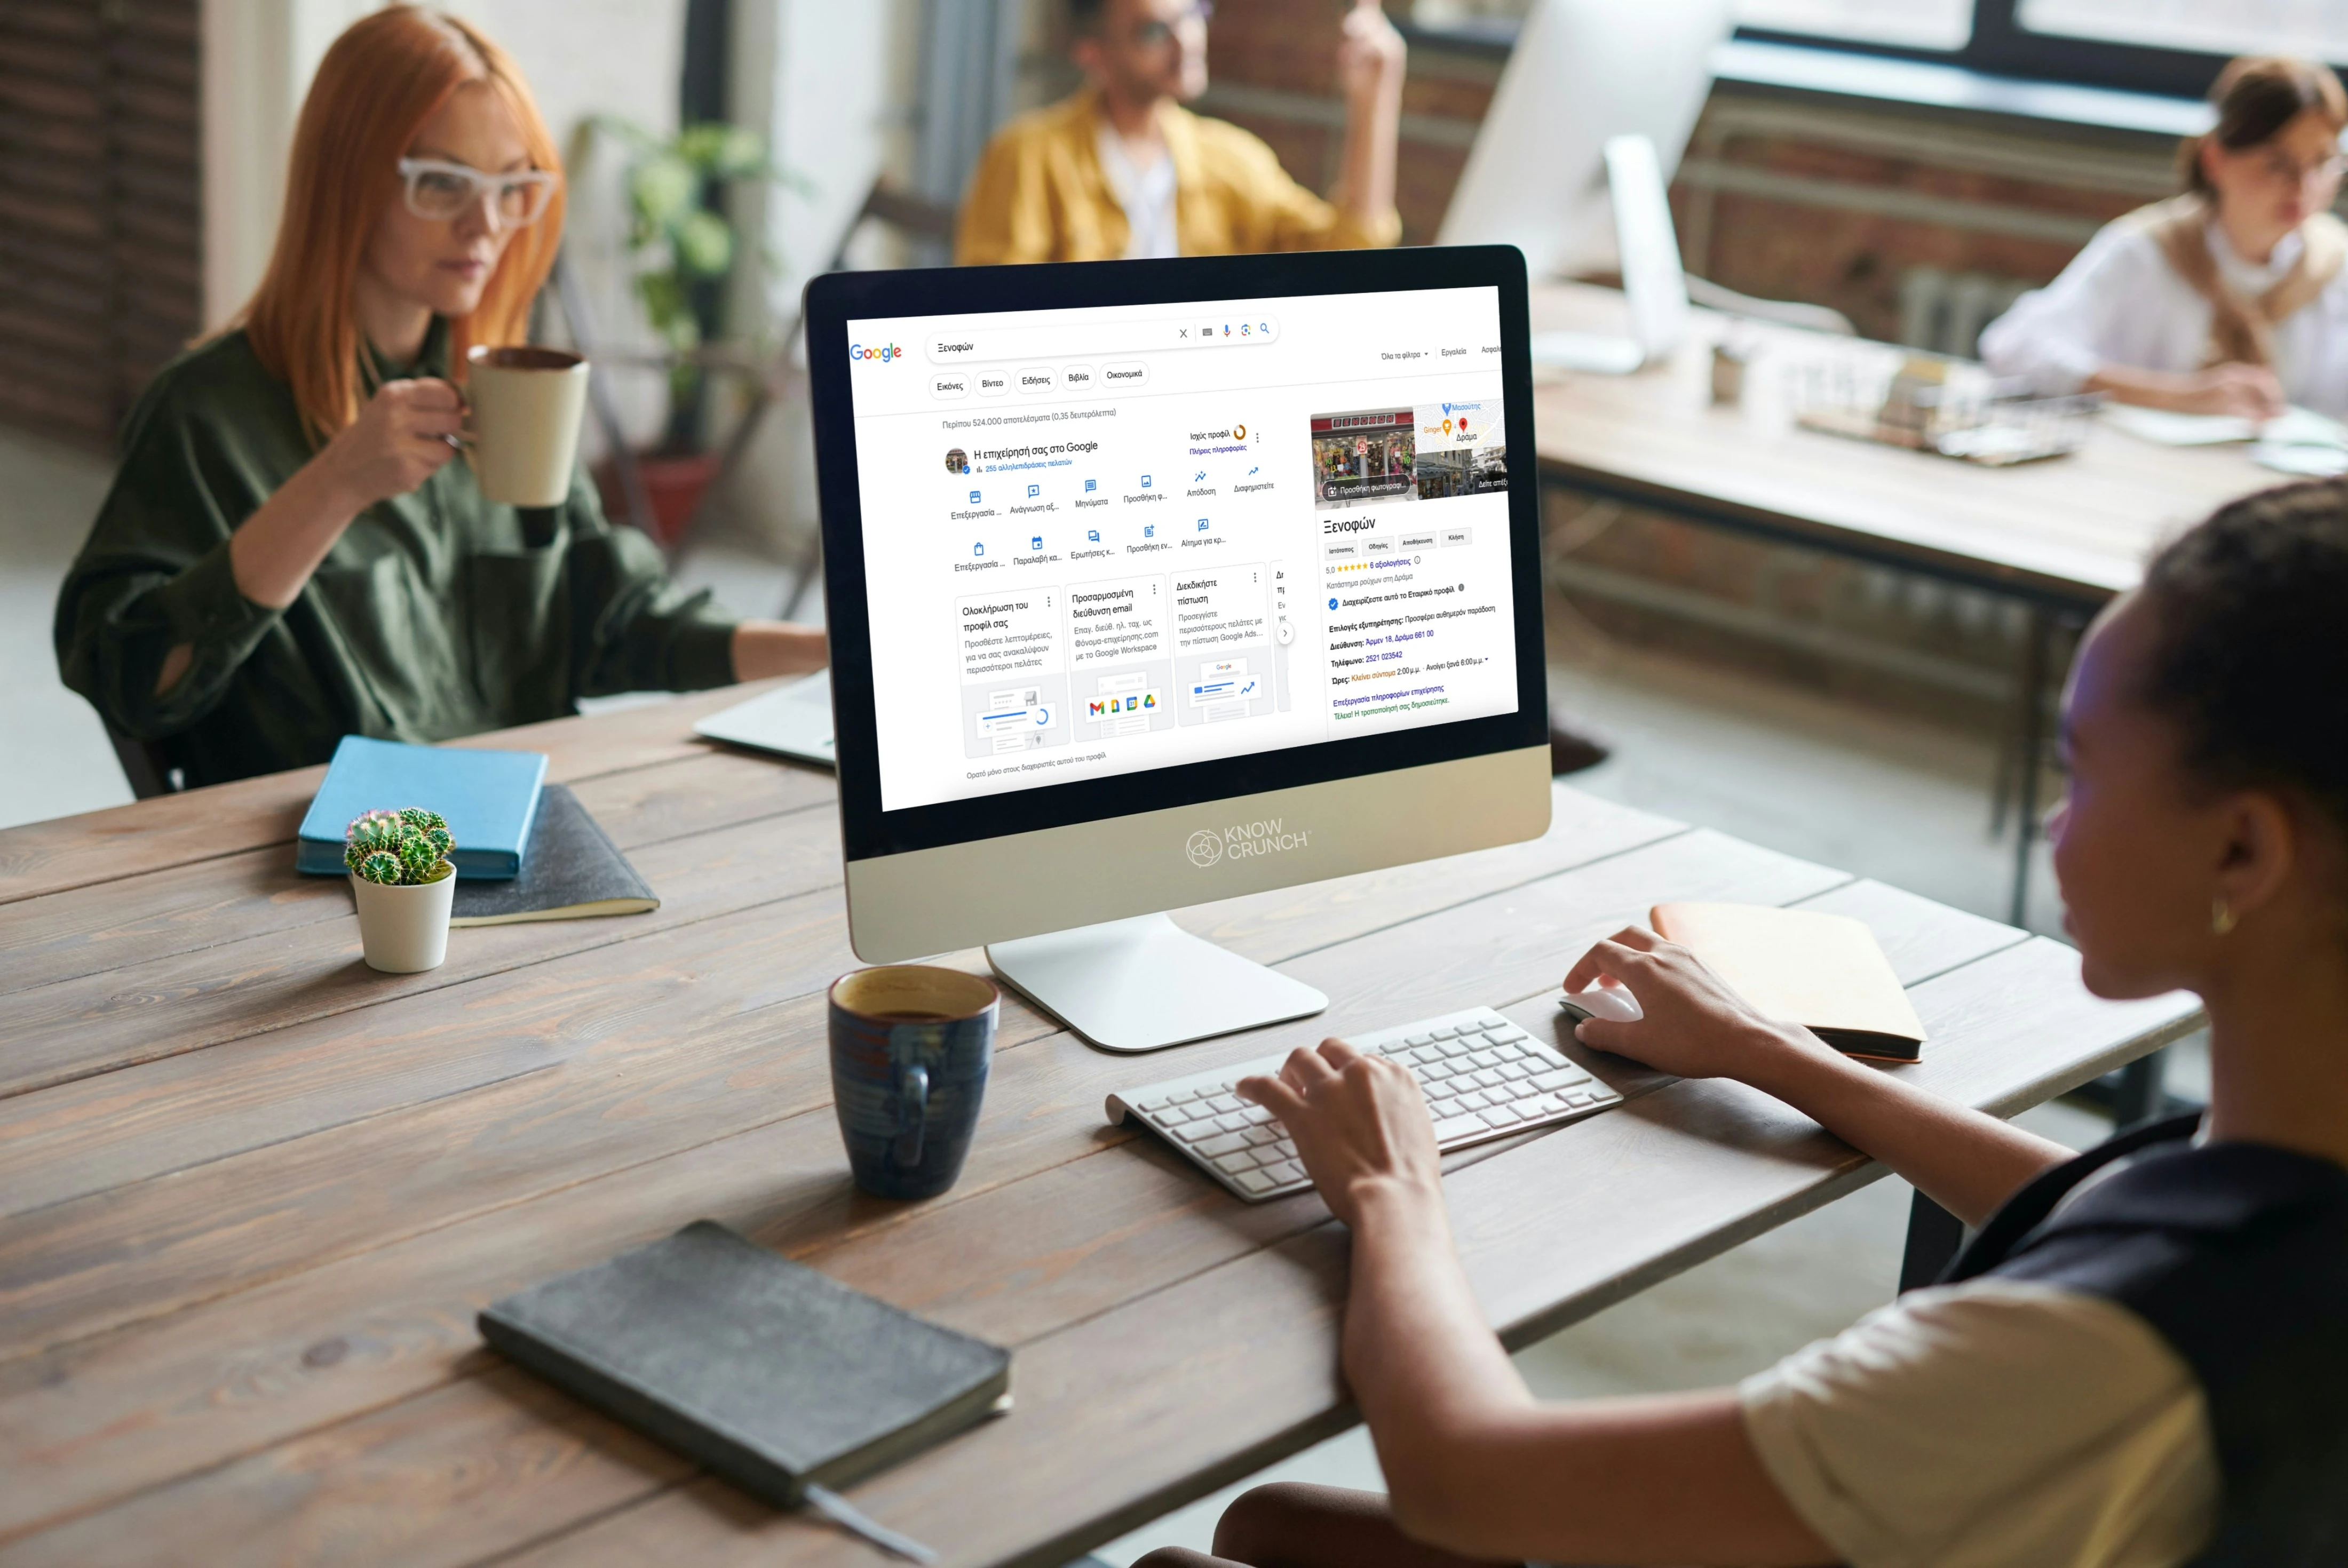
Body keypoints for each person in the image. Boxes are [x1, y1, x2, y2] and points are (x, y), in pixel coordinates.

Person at [1138, 480, 2348, 1565]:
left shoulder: (2092, 1363)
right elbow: (2103, 1201)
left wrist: (1391, 1188)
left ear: (2240, 847)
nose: (2049, 822)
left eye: (2076, 767)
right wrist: (1767, 1049)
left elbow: (1464, 1473)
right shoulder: (2291, 1161)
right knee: (1269, 1527)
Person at [54, 6, 825, 790]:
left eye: (511, 186)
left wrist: (834, 654)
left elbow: (624, 623)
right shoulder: (204, 414)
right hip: (335, 871)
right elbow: (129, 680)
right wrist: (334, 485)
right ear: (344, 179)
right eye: (443, 183)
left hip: (527, 831)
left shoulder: (508, 393)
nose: (485, 224)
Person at [1982, 55, 2348, 419]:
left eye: (2322, 163)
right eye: (2277, 163)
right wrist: (2177, 397)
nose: (2304, 187)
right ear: (2215, 159)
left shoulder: (2335, 265)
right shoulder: (2149, 250)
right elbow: (2016, 348)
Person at [954, 0, 1406, 266]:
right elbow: (993, 320)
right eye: (1154, 31)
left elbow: (1350, 253)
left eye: (1193, 12)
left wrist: (1372, 103)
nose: (1188, 40)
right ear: (1094, 55)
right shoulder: (1028, 157)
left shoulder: (1231, 159)